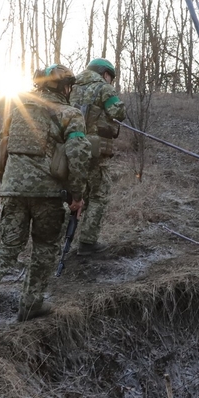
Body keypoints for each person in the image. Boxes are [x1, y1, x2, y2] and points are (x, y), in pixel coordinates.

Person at [0, 64, 91, 332]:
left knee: (7, 246)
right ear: (63, 86)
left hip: (12, 189)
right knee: (45, 246)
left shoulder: (16, 109)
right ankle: (31, 303)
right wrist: (78, 195)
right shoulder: (71, 115)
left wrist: (8, 184)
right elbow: (79, 156)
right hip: (48, 193)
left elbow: (0, 148)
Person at [68, 57, 126, 254]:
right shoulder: (103, 87)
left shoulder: (71, 86)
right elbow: (118, 111)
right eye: (111, 78)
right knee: (99, 194)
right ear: (106, 74)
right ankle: (87, 242)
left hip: (71, 149)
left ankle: (61, 240)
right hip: (94, 150)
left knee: (76, 194)